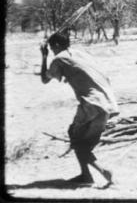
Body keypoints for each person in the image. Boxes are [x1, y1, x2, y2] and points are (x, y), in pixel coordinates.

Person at [40, 33, 118, 186]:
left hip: (92, 103)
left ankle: (104, 172)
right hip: (108, 103)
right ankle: (86, 176)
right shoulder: (80, 53)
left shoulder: (59, 59)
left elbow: (44, 79)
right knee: (82, 142)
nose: (51, 50)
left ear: (56, 45)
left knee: (77, 141)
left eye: (51, 48)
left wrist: (43, 56)